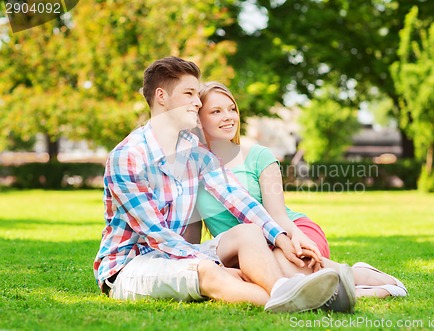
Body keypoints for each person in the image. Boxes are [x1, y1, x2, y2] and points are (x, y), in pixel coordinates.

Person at [93, 56, 341, 313]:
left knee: (249, 232)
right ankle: (304, 301)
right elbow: (157, 236)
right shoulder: (129, 157)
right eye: (189, 93)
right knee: (207, 270)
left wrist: (279, 237)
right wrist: (214, 263)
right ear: (161, 97)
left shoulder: (192, 150)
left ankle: (283, 289)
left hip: (177, 255)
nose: (197, 102)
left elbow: (236, 196)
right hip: (131, 265)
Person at [193, 81, 408, 309]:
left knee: (281, 264)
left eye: (231, 109)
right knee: (267, 271)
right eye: (216, 111)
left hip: (292, 230)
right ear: (198, 119)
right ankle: (338, 288)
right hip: (246, 251)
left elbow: (278, 215)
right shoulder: (192, 172)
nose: (228, 117)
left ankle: (363, 279)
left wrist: (296, 239)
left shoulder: (258, 156)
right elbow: (191, 238)